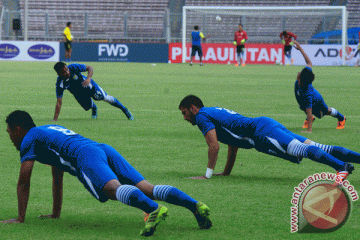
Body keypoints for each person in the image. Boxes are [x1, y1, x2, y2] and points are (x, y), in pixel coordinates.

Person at [1, 110, 212, 237]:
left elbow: (23, 181)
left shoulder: (29, 139)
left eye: (10, 133)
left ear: (18, 129)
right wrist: (55, 213)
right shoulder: (47, 133)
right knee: (147, 188)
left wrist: (20, 218)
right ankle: (195, 207)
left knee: (110, 190)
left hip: (85, 156)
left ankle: (152, 209)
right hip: (101, 148)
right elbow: (57, 177)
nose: (10, 138)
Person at [178, 95, 357, 186]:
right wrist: (226, 172)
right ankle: (346, 163)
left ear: (193, 108)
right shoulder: (211, 112)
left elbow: (214, 146)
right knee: (318, 146)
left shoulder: (201, 116)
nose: (185, 118)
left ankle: (341, 167)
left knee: (300, 149)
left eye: (184, 113)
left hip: (262, 132)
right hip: (265, 125)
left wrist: (207, 174)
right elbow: (232, 145)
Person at [293, 40, 346, 132]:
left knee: (324, 112)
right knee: (302, 106)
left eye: (300, 73)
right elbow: (309, 63)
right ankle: (310, 119)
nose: (299, 72)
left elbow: (309, 112)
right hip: (305, 99)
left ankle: (341, 118)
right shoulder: (306, 73)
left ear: (300, 80)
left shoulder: (307, 93)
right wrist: (300, 49)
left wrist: (309, 130)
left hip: (317, 102)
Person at [53, 62, 134, 121]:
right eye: (64, 72)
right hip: (78, 94)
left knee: (104, 97)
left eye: (66, 69)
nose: (67, 72)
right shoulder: (60, 83)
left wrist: (88, 79)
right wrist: (55, 119)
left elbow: (90, 68)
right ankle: (94, 107)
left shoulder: (73, 67)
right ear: (58, 74)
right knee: (86, 108)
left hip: (88, 86)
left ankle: (125, 110)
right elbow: (59, 102)